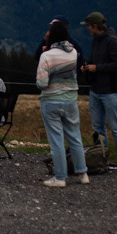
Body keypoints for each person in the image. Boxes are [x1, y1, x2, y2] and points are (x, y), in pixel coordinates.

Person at [36, 22, 89, 187]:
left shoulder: (46, 56)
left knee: (56, 140)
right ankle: (83, 173)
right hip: (70, 99)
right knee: (75, 136)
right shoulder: (73, 53)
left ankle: (60, 178)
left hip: (51, 100)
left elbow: (41, 83)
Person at [80, 11, 117, 163]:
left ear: (95, 26)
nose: (87, 28)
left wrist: (97, 68)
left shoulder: (112, 41)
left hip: (110, 92)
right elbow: (94, 59)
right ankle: (101, 158)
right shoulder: (95, 40)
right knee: (98, 128)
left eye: (88, 26)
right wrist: (87, 66)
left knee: (116, 128)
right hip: (95, 90)